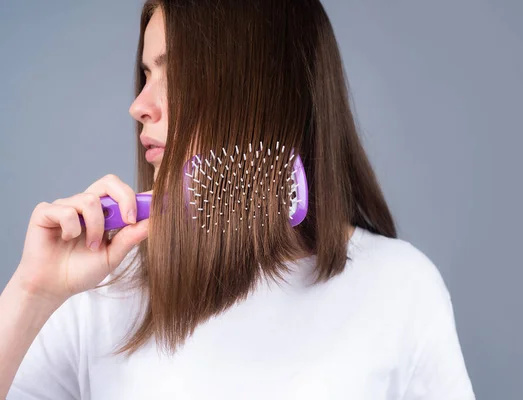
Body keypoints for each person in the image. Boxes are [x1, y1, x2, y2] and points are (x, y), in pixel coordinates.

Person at [0, 1, 475, 398]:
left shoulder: (400, 288)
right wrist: (32, 293)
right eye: (145, 74)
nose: (139, 104)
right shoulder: (95, 292)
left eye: (175, 73)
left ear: (263, 93)